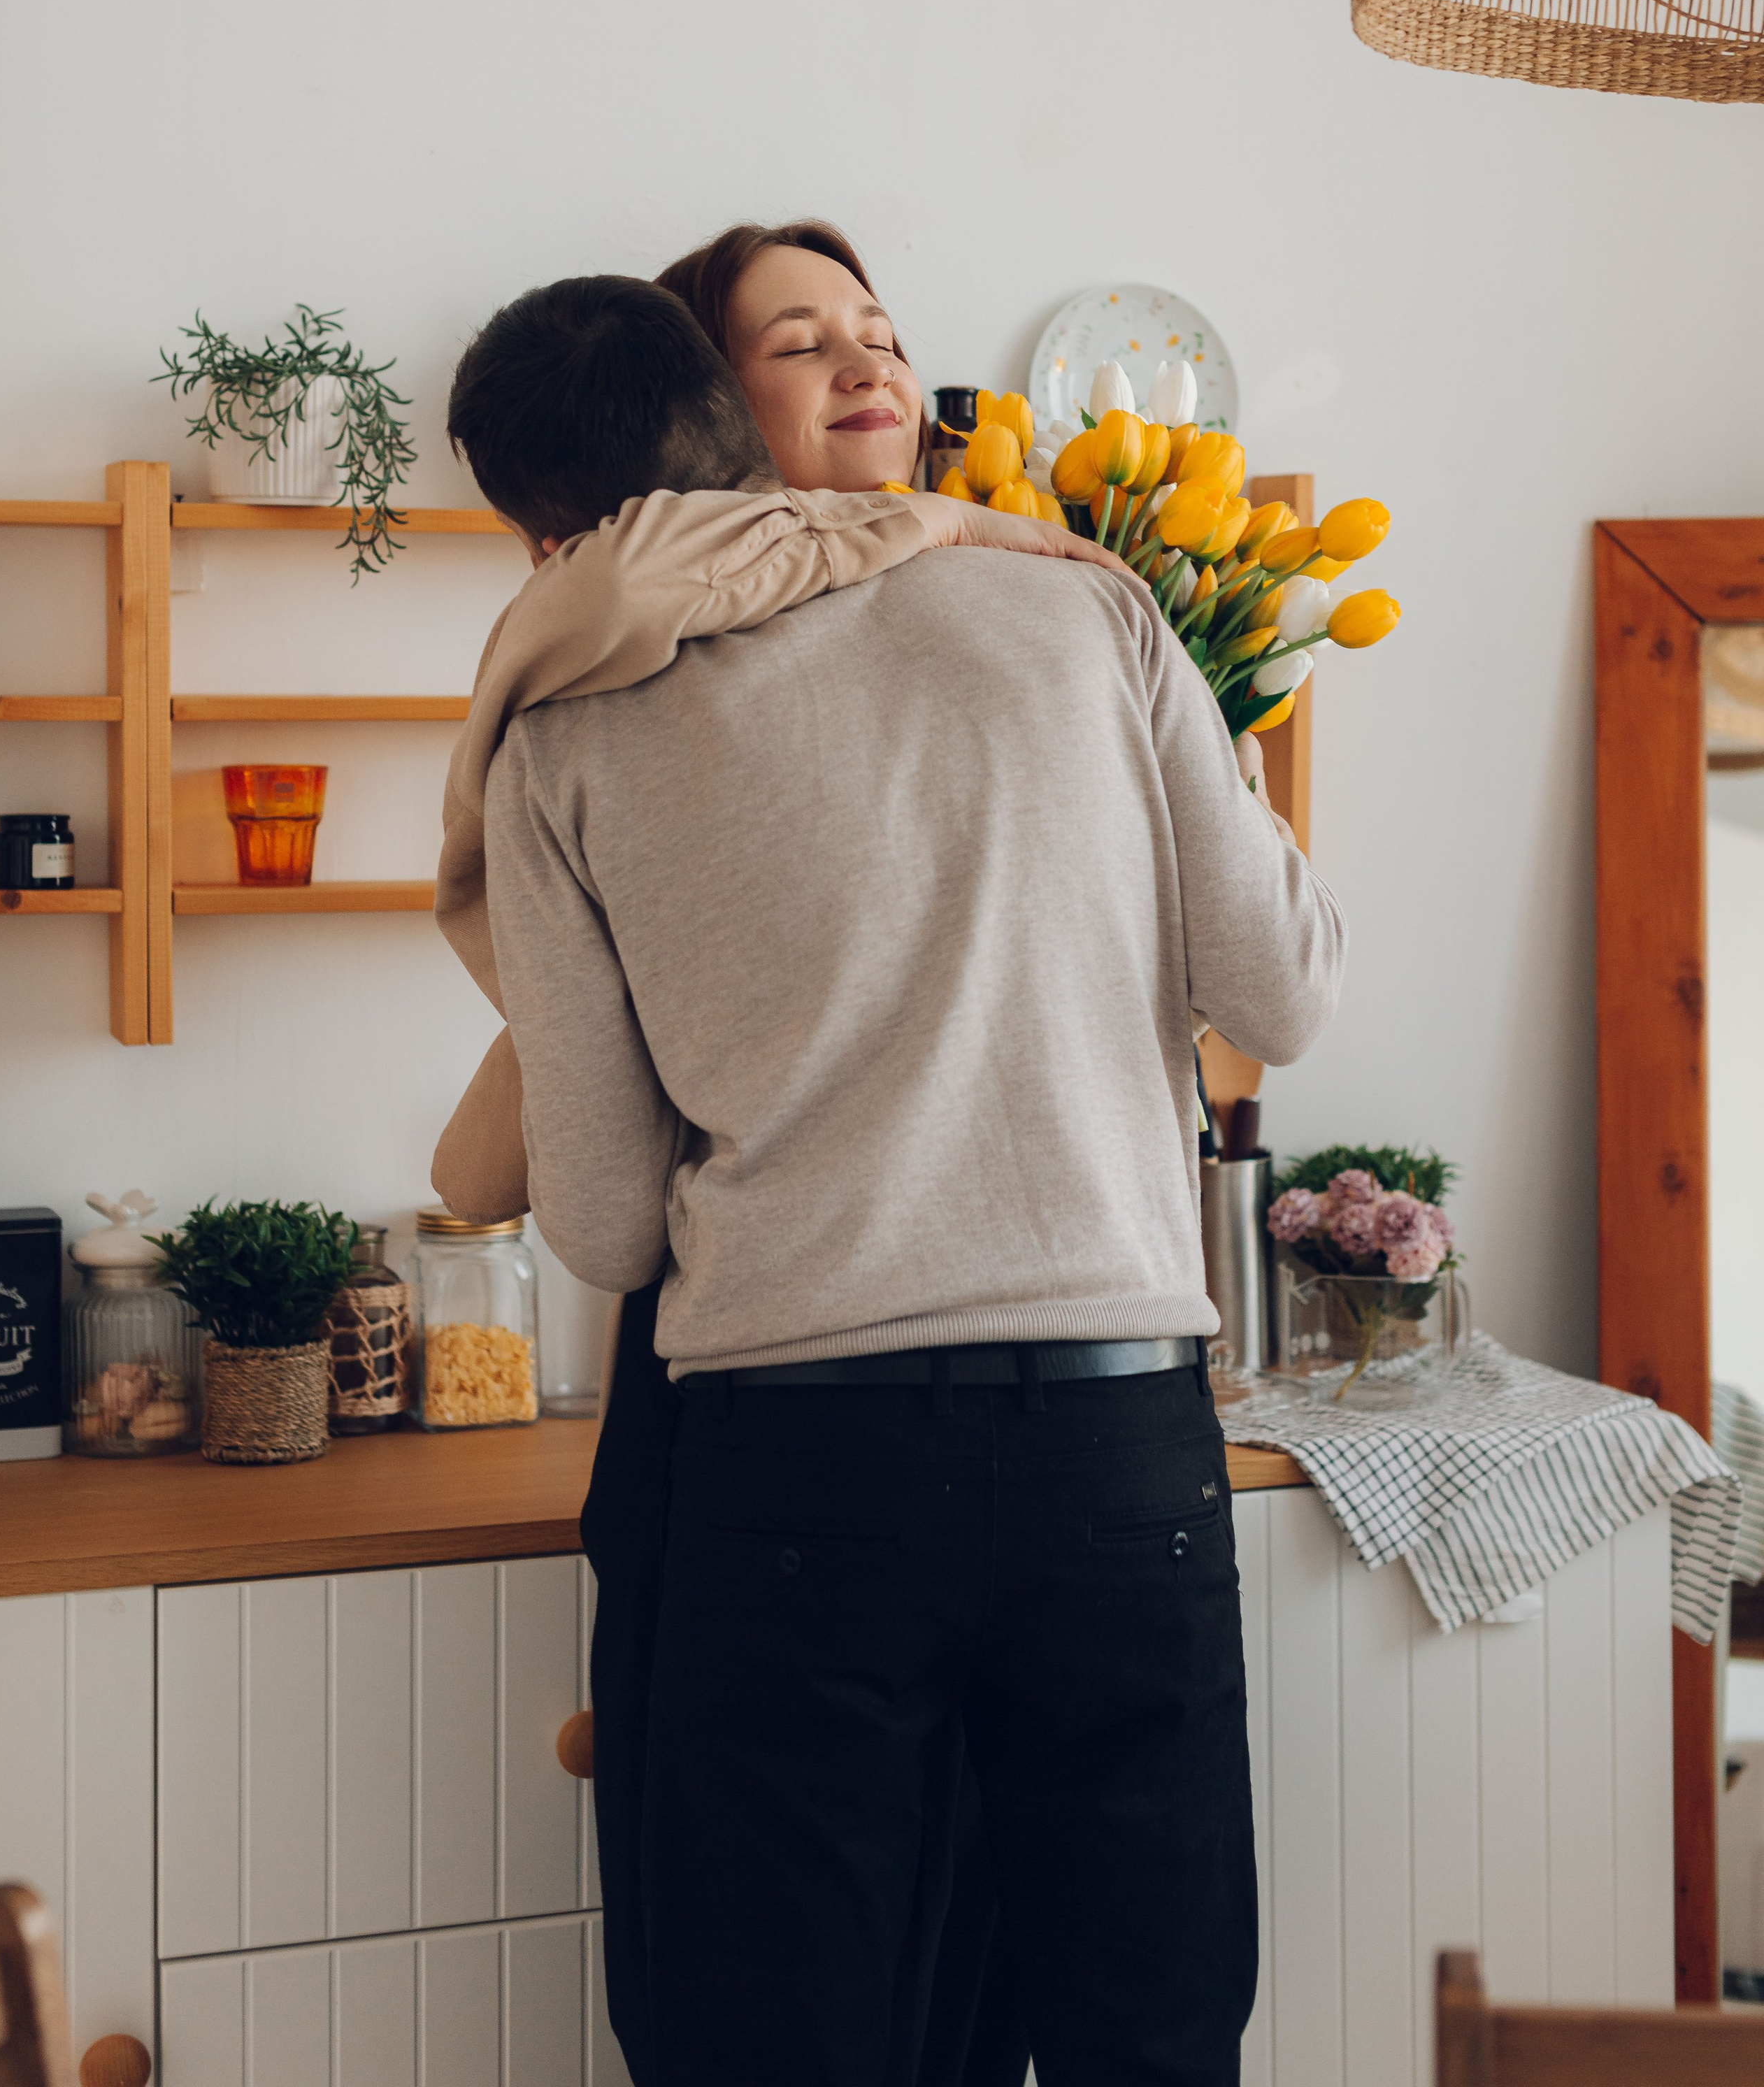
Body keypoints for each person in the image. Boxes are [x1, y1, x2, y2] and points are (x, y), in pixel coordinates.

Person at [446, 273, 1346, 2086]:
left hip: (796, 1468)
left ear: (546, 530)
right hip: (1116, 1444)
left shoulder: (554, 733)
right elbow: (1283, 1000)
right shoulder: (1086, 606)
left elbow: (602, 1226)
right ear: (730, 404)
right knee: (1150, 2039)